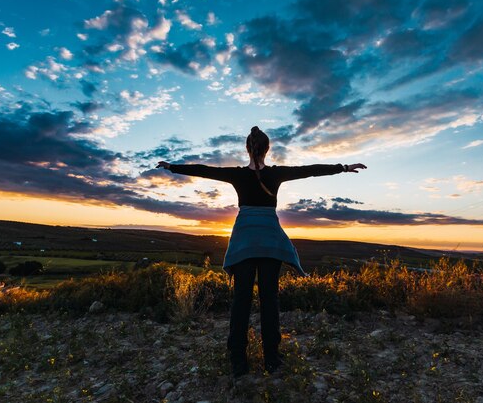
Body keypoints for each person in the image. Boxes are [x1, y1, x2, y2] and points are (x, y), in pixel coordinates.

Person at [157, 126, 366, 377]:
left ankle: (238, 362)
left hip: (244, 241)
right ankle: (272, 360)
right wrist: (342, 167)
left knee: (241, 301)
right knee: (269, 300)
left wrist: (172, 167)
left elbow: (205, 171)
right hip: (270, 241)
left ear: (247, 149)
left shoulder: (237, 175)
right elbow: (309, 171)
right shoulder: (276, 175)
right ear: (267, 149)